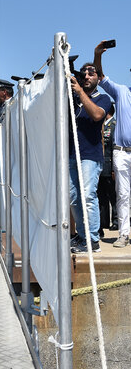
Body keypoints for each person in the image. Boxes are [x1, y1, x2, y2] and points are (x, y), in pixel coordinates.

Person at [69, 62, 111, 253]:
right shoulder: (71, 97)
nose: (86, 76)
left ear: (98, 78)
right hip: (71, 154)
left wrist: (79, 92)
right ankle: (83, 235)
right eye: (83, 73)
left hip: (90, 156)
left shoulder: (103, 98)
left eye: (91, 74)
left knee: (87, 195)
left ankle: (93, 240)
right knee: (73, 197)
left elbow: (96, 115)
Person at [94, 42, 131, 248]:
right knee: (123, 195)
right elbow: (100, 78)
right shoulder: (122, 91)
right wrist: (97, 55)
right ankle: (124, 233)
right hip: (121, 152)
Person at [97, 104, 118, 237]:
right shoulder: (101, 125)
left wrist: (114, 168)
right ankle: (104, 222)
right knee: (101, 195)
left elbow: (114, 147)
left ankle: (116, 220)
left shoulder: (114, 125)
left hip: (109, 166)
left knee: (113, 195)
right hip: (100, 167)